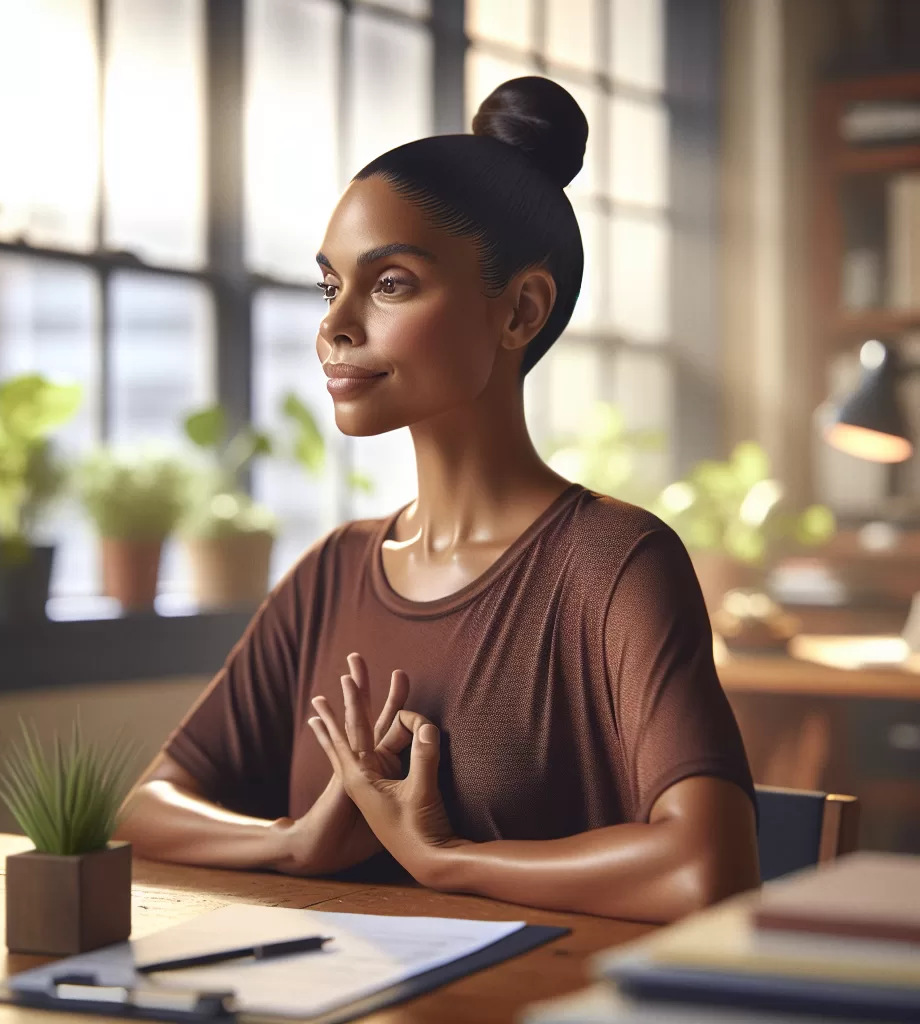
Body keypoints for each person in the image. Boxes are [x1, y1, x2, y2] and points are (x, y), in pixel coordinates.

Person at [116, 76, 760, 923]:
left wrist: (448, 860)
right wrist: (296, 843)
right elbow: (146, 809)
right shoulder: (333, 573)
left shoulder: (615, 565)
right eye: (328, 286)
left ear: (520, 310)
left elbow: (707, 867)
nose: (335, 325)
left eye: (389, 285)